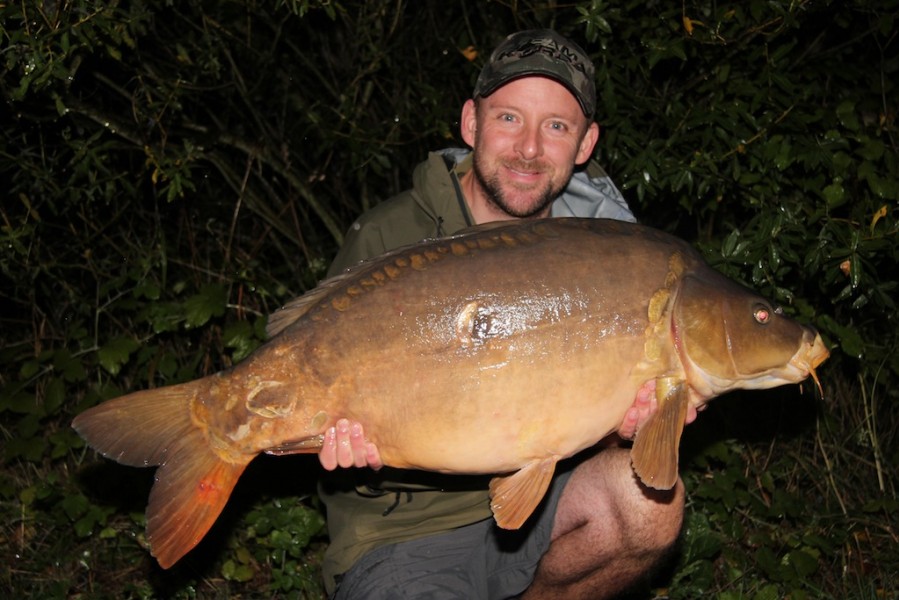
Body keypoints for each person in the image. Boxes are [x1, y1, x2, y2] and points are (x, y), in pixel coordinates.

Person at [315, 29, 688, 599]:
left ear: (586, 143)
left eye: (556, 127)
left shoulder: (609, 256)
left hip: (541, 503)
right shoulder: (389, 235)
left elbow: (575, 421)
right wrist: (346, 441)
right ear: (471, 123)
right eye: (510, 118)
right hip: (403, 529)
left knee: (648, 506)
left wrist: (626, 425)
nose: (530, 148)